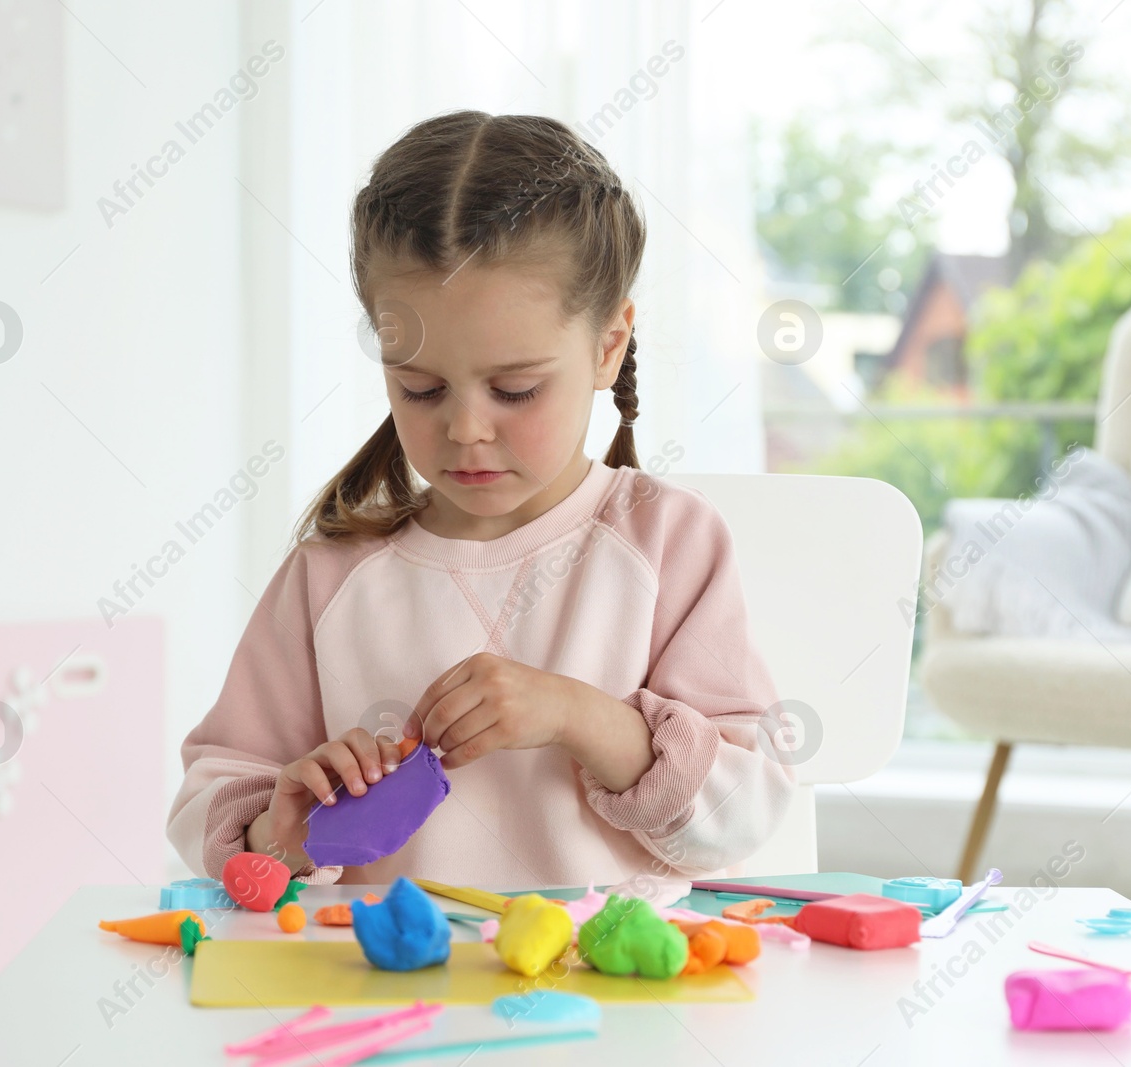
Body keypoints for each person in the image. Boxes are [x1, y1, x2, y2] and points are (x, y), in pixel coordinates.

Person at [167, 110, 795, 889]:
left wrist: (581, 717)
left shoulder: (669, 542)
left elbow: (745, 812)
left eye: (515, 389)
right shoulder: (333, 570)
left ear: (608, 345)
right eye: (420, 388)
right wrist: (282, 830)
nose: (465, 428)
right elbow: (215, 792)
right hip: (382, 990)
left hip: (613, 993)